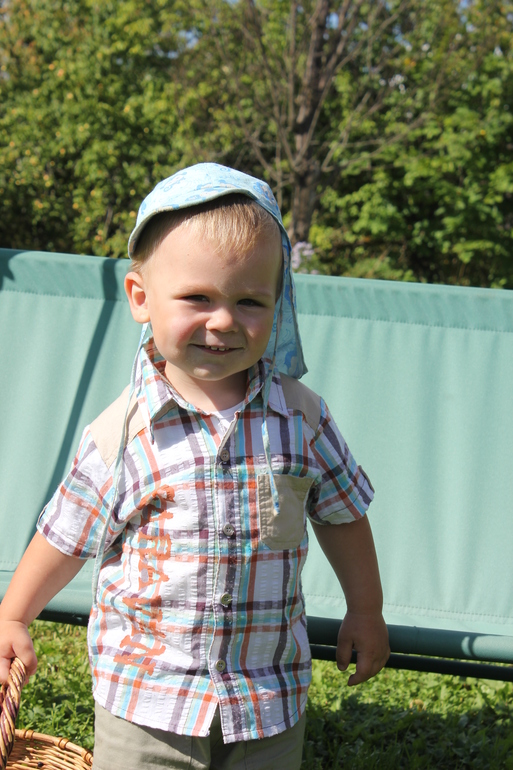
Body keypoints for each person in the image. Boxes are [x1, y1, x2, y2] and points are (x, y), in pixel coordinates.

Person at [0, 163, 389, 769]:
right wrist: (14, 614)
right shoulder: (122, 434)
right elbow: (66, 535)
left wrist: (365, 610)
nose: (224, 320)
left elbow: (343, 516)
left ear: (279, 304)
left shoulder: (302, 418)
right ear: (141, 298)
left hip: (266, 698)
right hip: (147, 701)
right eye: (197, 298)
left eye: (249, 301)